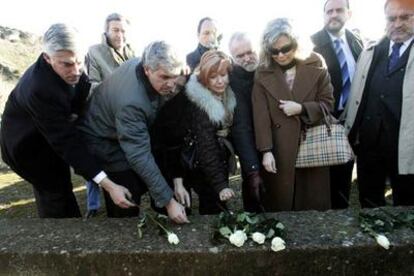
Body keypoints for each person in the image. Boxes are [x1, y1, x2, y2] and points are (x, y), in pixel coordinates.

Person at [0, 23, 135, 218]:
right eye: (67, 64)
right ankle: (60, 235)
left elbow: (82, 93)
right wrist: (109, 185)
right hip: (26, 146)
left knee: (64, 177)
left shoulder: (75, 69)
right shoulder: (40, 88)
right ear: (47, 58)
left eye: (79, 62)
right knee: (55, 190)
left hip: (51, 129)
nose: (76, 71)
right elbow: (67, 143)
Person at [79, 41, 189, 223]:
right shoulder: (132, 103)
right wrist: (169, 202)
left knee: (141, 177)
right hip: (102, 141)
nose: (171, 85)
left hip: (117, 130)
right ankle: (123, 232)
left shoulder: (144, 66)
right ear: (147, 70)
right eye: (164, 77)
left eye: (174, 77)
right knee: (126, 191)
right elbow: (138, 155)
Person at [252, 18, 334, 212]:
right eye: (274, 51)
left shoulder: (316, 62)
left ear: (297, 43)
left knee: (312, 205)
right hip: (279, 150)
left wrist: (302, 108)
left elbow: (328, 103)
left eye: (286, 48)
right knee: (281, 205)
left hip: (312, 145)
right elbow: (260, 116)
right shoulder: (262, 72)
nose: (280, 55)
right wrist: (266, 151)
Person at [343, 0, 414, 208]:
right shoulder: (372, 50)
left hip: (406, 146)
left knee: (406, 205)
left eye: (405, 17)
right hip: (369, 145)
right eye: (392, 18)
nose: (397, 23)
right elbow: (358, 94)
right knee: (369, 203)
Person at [152, 50, 236, 214]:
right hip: (170, 154)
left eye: (223, 75)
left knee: (214, 206)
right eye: (213, 77)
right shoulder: (200, 105)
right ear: (204, 78)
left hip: (192, 152)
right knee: (180, 210)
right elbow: (207, 147)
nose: (220, 81)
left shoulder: (227, 95)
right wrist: (221, 186)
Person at [311, 0, 364, 209]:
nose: (333, 15)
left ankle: (341, 214)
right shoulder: (311, 43)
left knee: (345, 172)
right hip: (324, 121)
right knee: (324, 179)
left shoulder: (357, 42)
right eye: (329, 11)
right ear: (323, 15)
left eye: (339, 10)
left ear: (348, 14)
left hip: (353, 119)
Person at [84, 13, 136, 218]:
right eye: (116, 30)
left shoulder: (133, 53)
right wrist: (119, 90)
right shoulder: (94, 52)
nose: (120, 35)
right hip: (102, 120)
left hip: (125, 120)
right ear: (106, 30)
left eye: (123, 30)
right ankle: (93, 207)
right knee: (99, 164)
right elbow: (91, 86)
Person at [228, 32, 264, 212]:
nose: (247, 58)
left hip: (277, 144)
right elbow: (240, 127)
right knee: (255, 193)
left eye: (250, 52)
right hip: (250, 147)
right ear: (232, 58)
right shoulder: (232, 82)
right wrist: (252, 169)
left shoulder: (268, 70)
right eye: (240, 56)